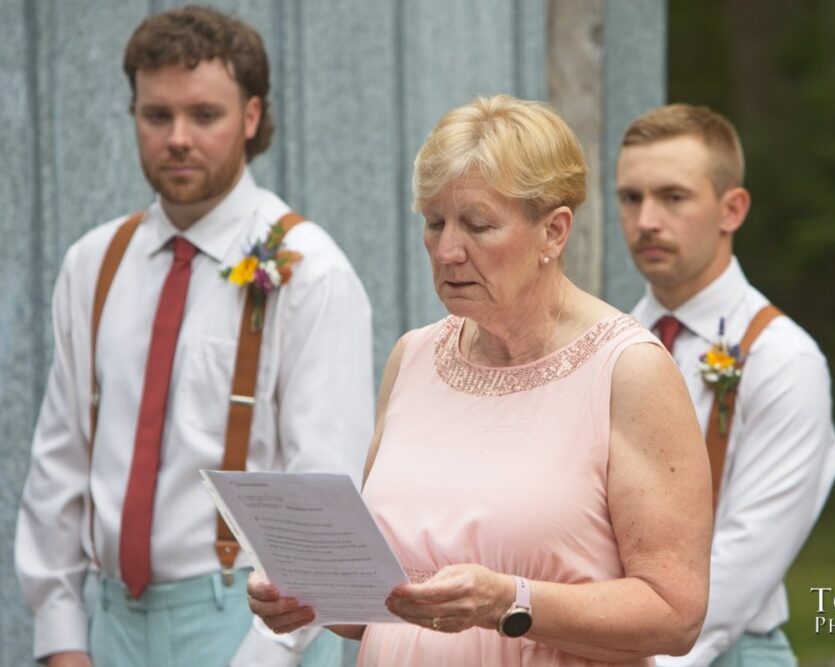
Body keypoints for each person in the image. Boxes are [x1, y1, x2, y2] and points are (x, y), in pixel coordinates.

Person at [247, 94, 714, 665]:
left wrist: (510, 602)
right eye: (435, 222)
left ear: (554, 232)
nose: (446, 251)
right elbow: (387, 605)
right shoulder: (413, 358)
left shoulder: (629, 369)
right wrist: (307, 594)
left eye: (478, 225)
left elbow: (674, 614)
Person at [15, 6, 373, 667]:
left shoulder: (310, 270)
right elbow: (61, 462)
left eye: (203, 115)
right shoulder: (94, 263)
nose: (177, 137)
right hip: (111, 625)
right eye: (157, 115)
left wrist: (263, 655)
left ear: (251, 116)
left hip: (255, 626)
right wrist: (62, 636)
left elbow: (325, 496)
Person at [615, 103, 835, 667]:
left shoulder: (783, 357)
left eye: (673, 197)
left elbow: (750, 551)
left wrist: (646, 660)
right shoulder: (607, 344)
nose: (646, 221)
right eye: (630, 197)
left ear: (731, 208)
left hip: (723, 651)